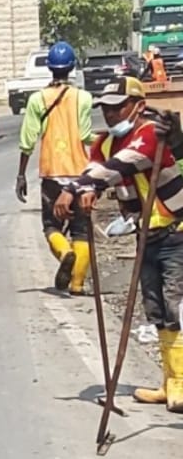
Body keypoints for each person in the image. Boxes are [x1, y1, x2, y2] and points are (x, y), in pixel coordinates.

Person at [56, 78, 183, 412]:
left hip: (177, 230)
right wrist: (85, 191)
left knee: (175, 306)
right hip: (146, 235)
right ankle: (170, 383)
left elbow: (117, 168)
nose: (111, 114)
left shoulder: (150, 134)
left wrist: (74, 186)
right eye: (107, 108)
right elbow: (96, 170)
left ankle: (181, 385)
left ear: (138, 106)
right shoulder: (105, 143)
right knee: (155, 308)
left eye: (118, 106)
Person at [15, 40, 95, 295]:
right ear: (72, 67)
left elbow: (27, 140)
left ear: (49, 68)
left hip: (52, 174)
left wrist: (20, 175)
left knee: (51, 226)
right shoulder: (83, 97)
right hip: (81, 175)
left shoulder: (38, 99)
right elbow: (86, 135)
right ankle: (78, 284)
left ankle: (65, 253)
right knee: (82, 230)